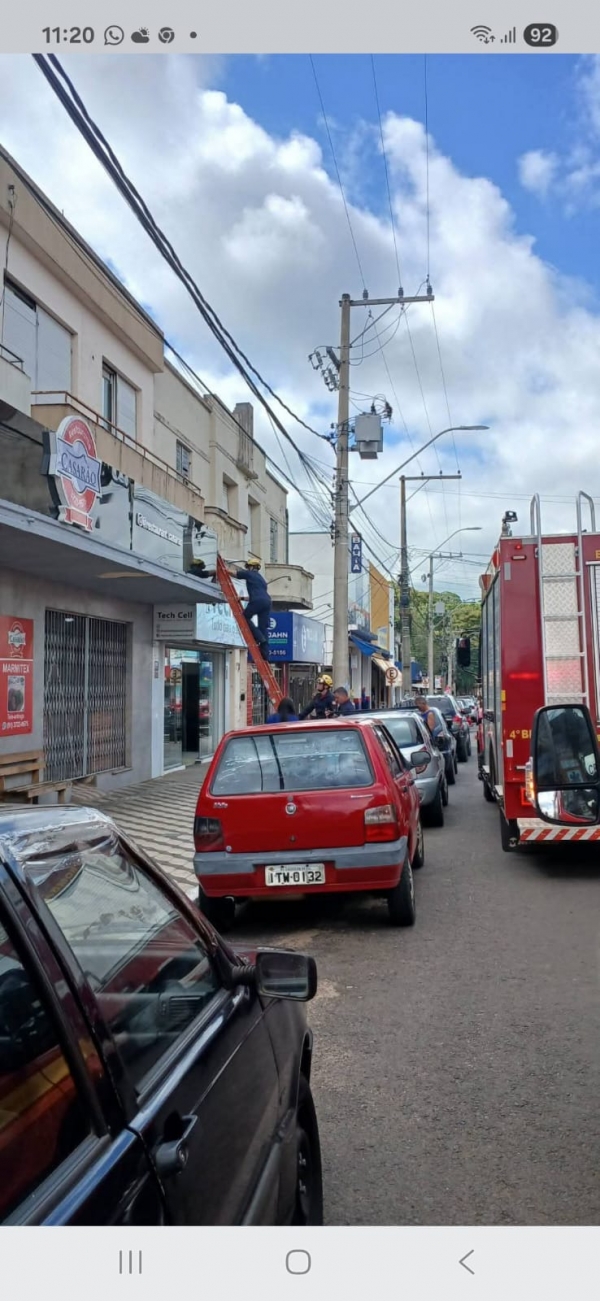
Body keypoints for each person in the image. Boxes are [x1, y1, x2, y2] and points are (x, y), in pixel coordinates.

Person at [229, 557, 272, 660]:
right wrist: (242, 598)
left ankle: (259, 637)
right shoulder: (262, 580)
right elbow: (258, 596)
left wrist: (223, 569)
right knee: (263, 627)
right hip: (267, 602)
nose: (247, 569)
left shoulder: (249, 574)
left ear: (252, 567)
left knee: (244, 617)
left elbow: (235, 574)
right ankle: (265, 653)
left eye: (248, 567)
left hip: (257, 601)